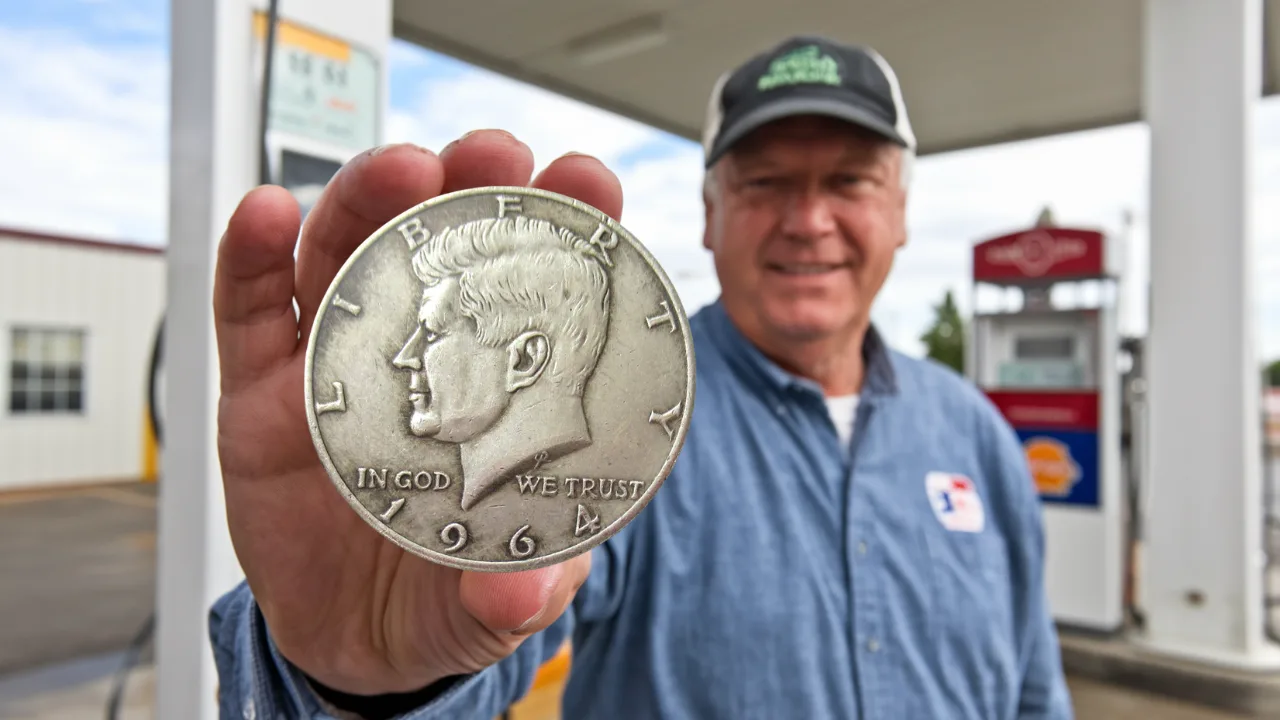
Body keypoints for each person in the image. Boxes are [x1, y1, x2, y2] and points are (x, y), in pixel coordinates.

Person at [209, 34, 1074, 719]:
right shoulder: (624, 435)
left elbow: (1035, 693)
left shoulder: (975, 433)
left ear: (901, 213)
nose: (808, 221)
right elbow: (481, 648)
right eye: (766, 183)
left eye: (849, 182)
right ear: (709, 216)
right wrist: (361, 692)